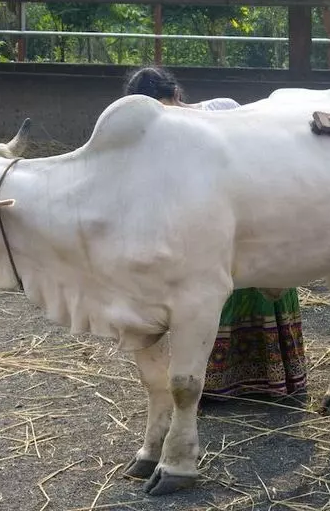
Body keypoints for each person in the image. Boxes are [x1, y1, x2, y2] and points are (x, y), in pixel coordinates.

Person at [123, 66, 307, 399]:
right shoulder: (149, 140)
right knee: (206, 301)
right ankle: (211, 386)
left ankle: (272, 382)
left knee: (259, 287)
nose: (161, 122)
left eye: (164, 108)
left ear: (177, 96)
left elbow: (258, 158)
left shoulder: (223, 109)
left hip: (250, 222)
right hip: (199, 235)